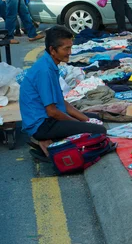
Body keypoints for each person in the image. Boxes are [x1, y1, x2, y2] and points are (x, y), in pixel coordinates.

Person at [19, 26, 106, 160]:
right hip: (41, 125)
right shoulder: (44, 71)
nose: (70, 52)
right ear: (52, 50)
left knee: (96, 119)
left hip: (48, 118)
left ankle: (54, 141)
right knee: (99, 131)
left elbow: (62, 103)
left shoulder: (50, 64)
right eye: (66, 49)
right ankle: (52, 145)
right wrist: (82, 125)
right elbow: (52, 112)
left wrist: (85, 120)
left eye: (70, 48)